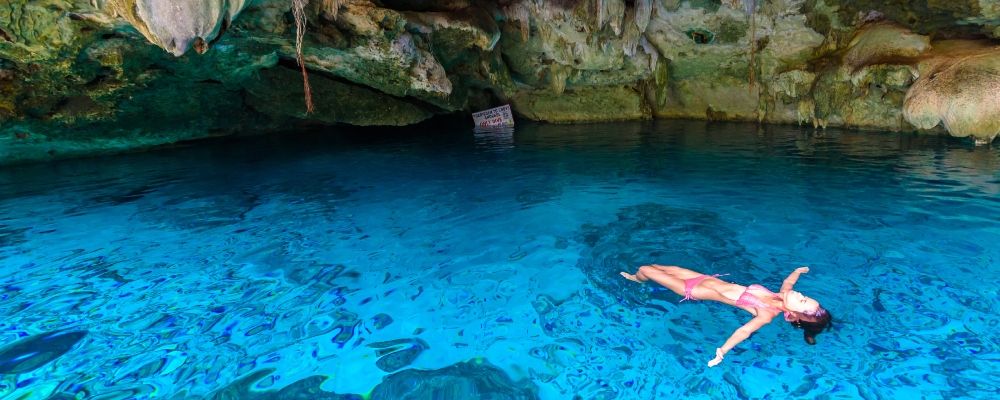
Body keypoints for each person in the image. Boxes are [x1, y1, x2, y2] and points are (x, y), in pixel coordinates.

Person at [619, 265, 832, 367]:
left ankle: (637, 280)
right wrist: (797, 271)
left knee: (645, 269)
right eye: (805, 296)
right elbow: (789, 283)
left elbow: (744, 330)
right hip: (702, 277)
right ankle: (639, 278)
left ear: (794, 314)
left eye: (802, 300)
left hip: (690, 289)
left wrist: (722, 351)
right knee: (656, 266)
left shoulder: (766, 314)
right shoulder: (783, 295)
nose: (801, 295)